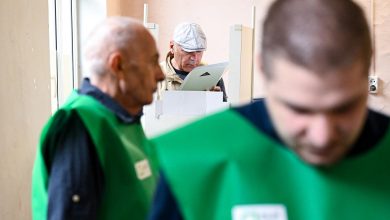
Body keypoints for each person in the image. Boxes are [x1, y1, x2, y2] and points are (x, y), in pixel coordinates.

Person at [149, 0, 390, 219]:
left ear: (368, 63)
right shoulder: (184, 164)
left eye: (344, 108)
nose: (322, 137)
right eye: (299, 109)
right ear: (264, 68)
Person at [32, 17, 165, 220]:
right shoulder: (79, 126)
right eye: (153, 62)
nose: (161, 74)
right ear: (118, 65)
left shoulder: (123, 121)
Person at [158, 22, 228, 102]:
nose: (194, 58)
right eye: (188, 51)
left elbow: (224, 113)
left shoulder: (213, 76)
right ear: (172, 47)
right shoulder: (153, 76)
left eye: (199, 51)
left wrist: (215, 101)